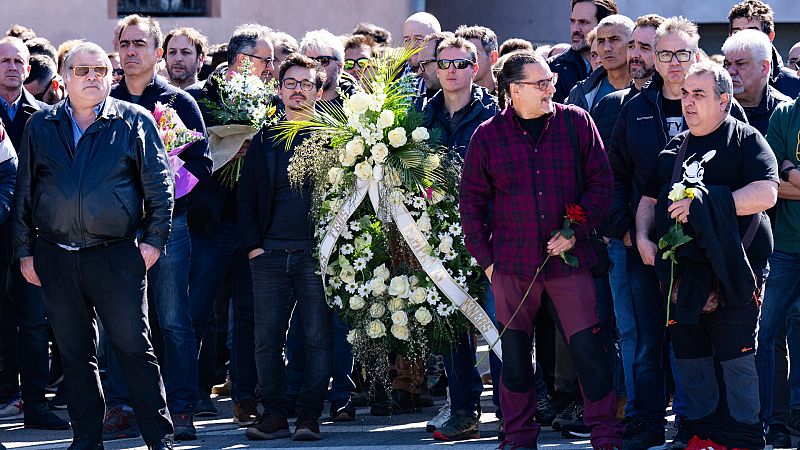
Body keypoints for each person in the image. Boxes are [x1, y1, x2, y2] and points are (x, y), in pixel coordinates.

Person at [13, 41, 175, 450]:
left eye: (100, 70)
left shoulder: (134, 121)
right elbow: (25, 193)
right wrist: (24, 251)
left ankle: (160, 438)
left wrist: (154, 241)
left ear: (111, 76)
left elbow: (160, 186)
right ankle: (86, 438)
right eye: (82, 71)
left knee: (134, 349)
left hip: (116, 255)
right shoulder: (41, 125)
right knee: (74, 354)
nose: (92, 78)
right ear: (63, 79)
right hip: (55, 255)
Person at [460, 51, 624, 450]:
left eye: (550, 80)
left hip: (571, 264)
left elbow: (602, 183)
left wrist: (576, 231)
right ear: (513, 90)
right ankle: (518, 437)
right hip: (512, 267)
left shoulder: (576, 122)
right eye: (541, 84)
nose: (551, 88)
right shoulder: (487, 136)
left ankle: (606, 435)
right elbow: (471, 203)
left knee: (589, 351)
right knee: (514, 359)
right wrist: (488, 263)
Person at [636, 61, 777, 450]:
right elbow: (649, 198)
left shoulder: (745, 139)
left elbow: (767, 193)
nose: (689, 102)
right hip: (682, 276)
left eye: (699, 94)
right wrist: (644, 237)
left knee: (736, 358)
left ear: (724, 100)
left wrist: (707, 203)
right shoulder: (673, 147)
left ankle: (744, 438)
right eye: (685, 94)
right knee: (689, 354)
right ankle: (699, 433)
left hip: (735, 271)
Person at [103, 14, 211, 442]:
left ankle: (181, 408)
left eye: (140, 44)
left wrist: (164, 202)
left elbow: (201, 164)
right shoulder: (104, 102)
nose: (131, 51)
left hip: (170, 229)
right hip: (114, 233)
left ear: (156, 52)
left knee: (173, 321)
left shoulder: (178, 103)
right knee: (117, 322)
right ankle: (121, 405)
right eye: (124, 44)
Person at [239, 52, 331, 442]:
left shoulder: (334, 138)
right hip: (270, 254)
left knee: (316, 338)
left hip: (316, 255)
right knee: (267, 339)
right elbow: (246, 198)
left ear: (319, 90)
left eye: (306, 84)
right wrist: (254, 249)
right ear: (278, 89)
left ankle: (309, 416)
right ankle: (273, 414)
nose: (298, 91)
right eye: (291, 83)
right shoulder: (264, 139)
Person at [184, 23, 272, 429]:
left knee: (248, 316)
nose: (271, 68)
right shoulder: (199, 99)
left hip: (253, 226)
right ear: (242, 60)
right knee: (196, 312)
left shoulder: (271, 104)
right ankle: (187, 395)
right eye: (265, 60)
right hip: (209, 223)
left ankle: (246, 398)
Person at [419, 36, 499, 442]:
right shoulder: (421, 116)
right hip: (439, 237)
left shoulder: (495, 114)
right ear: (434, 68)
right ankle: (464, 411)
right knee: (451, 326)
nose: (451, 71)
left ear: (475, 67)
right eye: (443, 63)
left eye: (461, 63)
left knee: (498, 325)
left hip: (489, 233)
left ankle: (510, 408)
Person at [0, 36, 68, 431]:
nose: (11, 67)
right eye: (3, 60)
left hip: (34, 235)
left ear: (29, 69)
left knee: (34, 322)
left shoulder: (46, 118)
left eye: (18, 61)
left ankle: (35, 404)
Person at [765, 86, 800, 443]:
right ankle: (774, 418)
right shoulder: (785, 115)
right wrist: (786, 171)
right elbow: (770, 183)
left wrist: (792, 168)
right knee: (769, 333)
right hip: (785, 246)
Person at [722, 29, 791, 135]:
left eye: (740, 64)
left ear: (764, 68)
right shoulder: (714, 106)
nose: (730, 71)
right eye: (727, 64)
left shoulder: (786, 112)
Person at [728, 0, 800, 98]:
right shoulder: (718, 81)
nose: (743, 39)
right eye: (737, 32)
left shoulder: (795, 84)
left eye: (752, 33)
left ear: (770, 37)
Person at [549, 0, 618, 103]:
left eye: (583, 22)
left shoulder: (624, 67)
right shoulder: (552, 69)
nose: (575, 29)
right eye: (573, 21)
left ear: (604, 25)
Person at [567, 14, 634, 112]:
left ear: (631, 43)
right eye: (601, 41)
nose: (606, 48)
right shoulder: (580, 93)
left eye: (614, 39)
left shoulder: (650, 89)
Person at [454, 26, 499, 94]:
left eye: (473, 54)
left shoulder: (511, 98)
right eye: (459, 56)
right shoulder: (445, 99)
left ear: (493, 57)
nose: (464, 62)